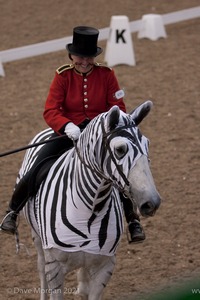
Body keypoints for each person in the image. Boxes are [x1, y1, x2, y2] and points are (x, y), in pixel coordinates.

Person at [0, 26, 145, 243]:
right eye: (79, 57)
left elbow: (118, 106)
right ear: (71, 55)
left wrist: (104, 127)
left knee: (119, 171)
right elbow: (51, 110)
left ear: (94, 57)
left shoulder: (107, 75)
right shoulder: (63, 76)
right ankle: (12, 211)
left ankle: (132, 220)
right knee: (38, 165)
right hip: (69, 133)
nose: (84, 62)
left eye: (88, 57)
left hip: (100, 135)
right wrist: (67, 126)